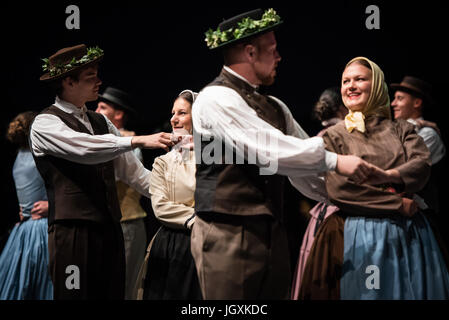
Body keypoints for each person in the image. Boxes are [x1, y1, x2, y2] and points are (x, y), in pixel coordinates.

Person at [191, 8, 377, 299]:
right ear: (251, 53)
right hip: (228, 229)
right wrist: (336, 161)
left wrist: (348, 198)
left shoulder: (275, 106)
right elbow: (271, 150)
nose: (279, 58)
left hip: (271, 229)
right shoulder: (215, 97)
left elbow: (303, 164)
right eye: (274, 51)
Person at [30, 44, 176, 299]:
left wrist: (180, 195)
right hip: (73, 232)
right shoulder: (45, 123)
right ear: (68, 82)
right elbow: (85, 149)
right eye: (90, 77)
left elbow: (136, 174)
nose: (99, 81)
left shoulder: (101, 122)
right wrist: (137, 140)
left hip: (109, 228)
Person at [299, 57, 449, 299]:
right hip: (356, 232)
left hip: (409, 233)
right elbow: (340, 188)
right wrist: (397, 203)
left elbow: (421, 165)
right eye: (346, 81)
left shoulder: (402, 129)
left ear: (377, 85)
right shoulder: (334, 136)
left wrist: (390, 175)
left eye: (360, 79)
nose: (351, 86)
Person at [140, 89, 202, 300]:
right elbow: (160, 206)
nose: (173, 119)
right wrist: (196, 219)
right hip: (172, 244)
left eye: (182, 113)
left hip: (208, 242)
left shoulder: (218, 157)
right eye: (173, 113)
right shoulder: (163, 162)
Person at [291, 87, 347, 299]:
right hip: (338, 215)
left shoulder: (318, 136)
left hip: (321, 213)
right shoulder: (339, 135)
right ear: (343, 109)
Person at [95, 86, 147, 300]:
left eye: (103, 107)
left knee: (124, 286)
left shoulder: (132, 144)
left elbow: (113, 177)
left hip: (127, 223)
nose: (96, 110)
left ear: (118, 114)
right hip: (103, 225)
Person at [0, 111, 53, 299]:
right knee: (43, 284)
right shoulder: (40, 155)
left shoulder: (19, 155)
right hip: (40, 228)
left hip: (24, 227)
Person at [390, 76, 446, 212]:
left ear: (417, 103)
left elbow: (401, 164)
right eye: (394, 98)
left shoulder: (428, 134)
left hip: (418, 211)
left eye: (400, 98)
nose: (393, 104)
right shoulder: (393, 130)